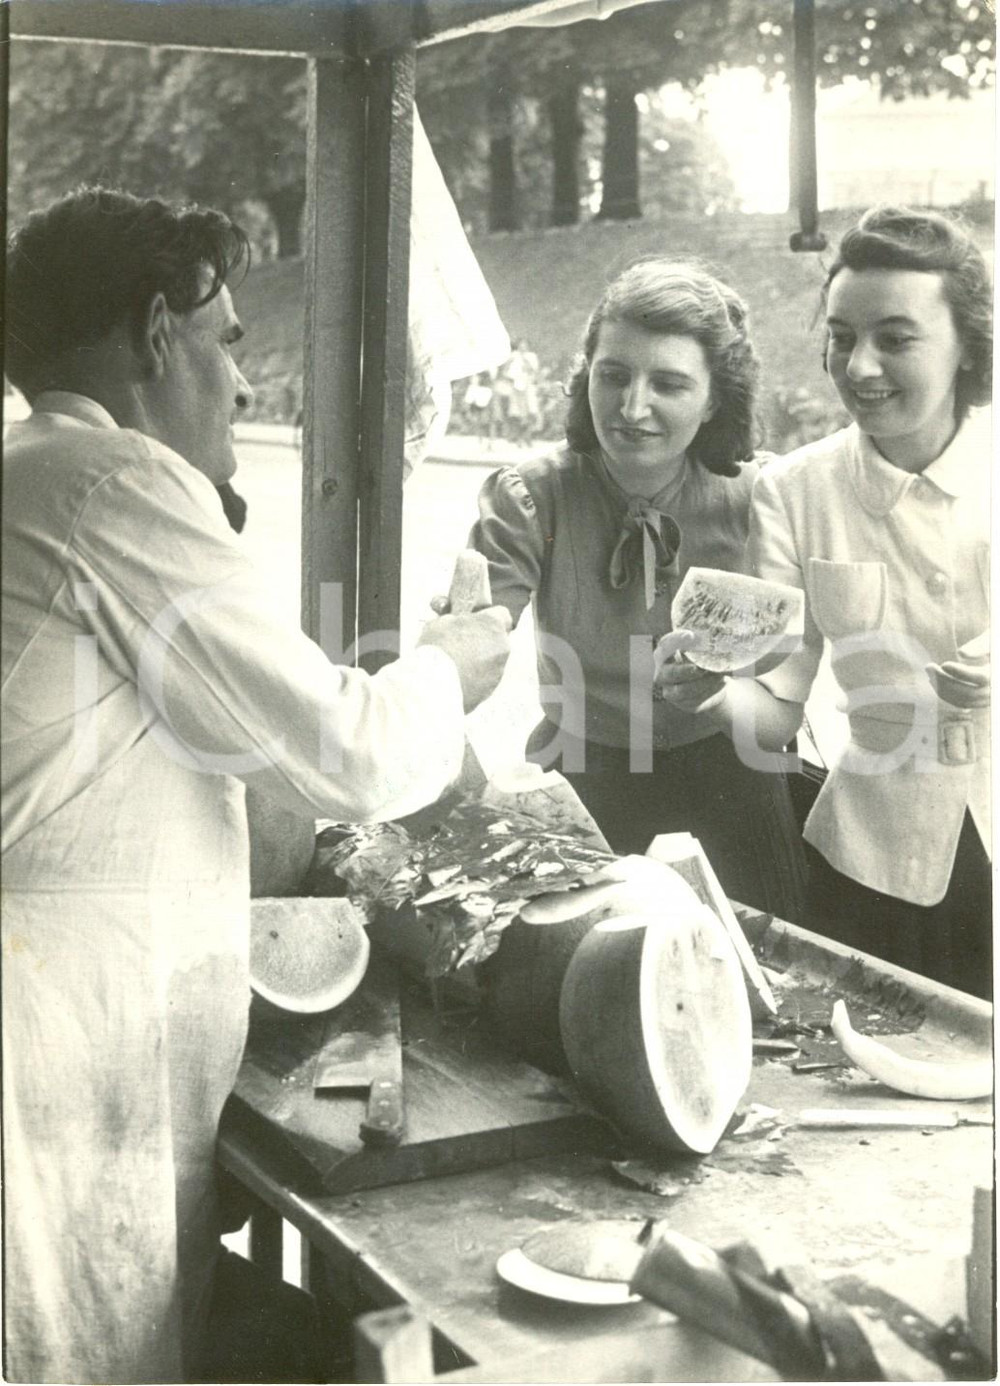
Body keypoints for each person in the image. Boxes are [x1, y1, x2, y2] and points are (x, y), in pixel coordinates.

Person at [1, 186, 512, 1384]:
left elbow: (214, 721)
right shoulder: (112, 480)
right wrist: (453, 668)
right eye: (226, 341)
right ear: (153, 333)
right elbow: (349, 754)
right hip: (48, 1053)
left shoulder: (33, 472)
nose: (241, 383)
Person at [656, 207, 992, 999]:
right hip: (871, 865)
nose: (861, 366)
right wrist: (712, 694)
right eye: (842, 336)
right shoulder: (796, 489)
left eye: (897, 338)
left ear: (968, 345)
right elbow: (778, 705)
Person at [468, 257, 806, 918]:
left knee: (767, 971)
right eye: (613, 375)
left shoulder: (764, 499)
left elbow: (790, 689)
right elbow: (479, 626)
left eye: (670, 384)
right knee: (566, 983)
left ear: (714, 399)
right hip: (583, 776)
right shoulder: (530, 496)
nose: (631, 407)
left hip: (733, 779)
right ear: (585, 373)